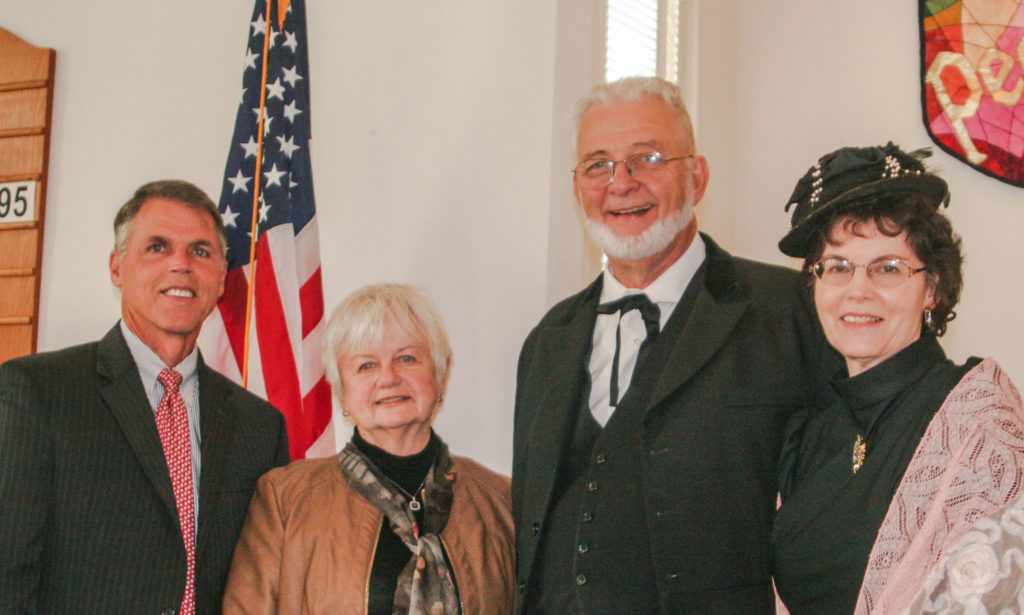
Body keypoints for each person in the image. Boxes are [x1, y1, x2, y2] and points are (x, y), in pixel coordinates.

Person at [512, 76, 838, 615]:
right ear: (577, 189)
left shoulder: (793, 310)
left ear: (698, 176)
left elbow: (841, 507)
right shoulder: (547, 341)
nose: (621, 182)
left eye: (648, 157)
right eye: (598, 164)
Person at [0, 179, 290, 614]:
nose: (181, 264)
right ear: (117, 267)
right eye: (157, 247)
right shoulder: (38, 393)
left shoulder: (260, 426)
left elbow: (267, 581)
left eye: (200, 251)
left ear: (221, 279)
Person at [770, 142, 1024, 615]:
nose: (858, 291)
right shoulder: (808, 436)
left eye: (888, 268)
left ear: (932, 289)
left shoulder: (979, 426)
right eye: (838, 268)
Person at [223, 283, 515, 615]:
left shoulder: (502, 503)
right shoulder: (284, 500)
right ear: (342, 391)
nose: (388, 378)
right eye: (366, 366)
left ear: (441, 374)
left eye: (407, 358)